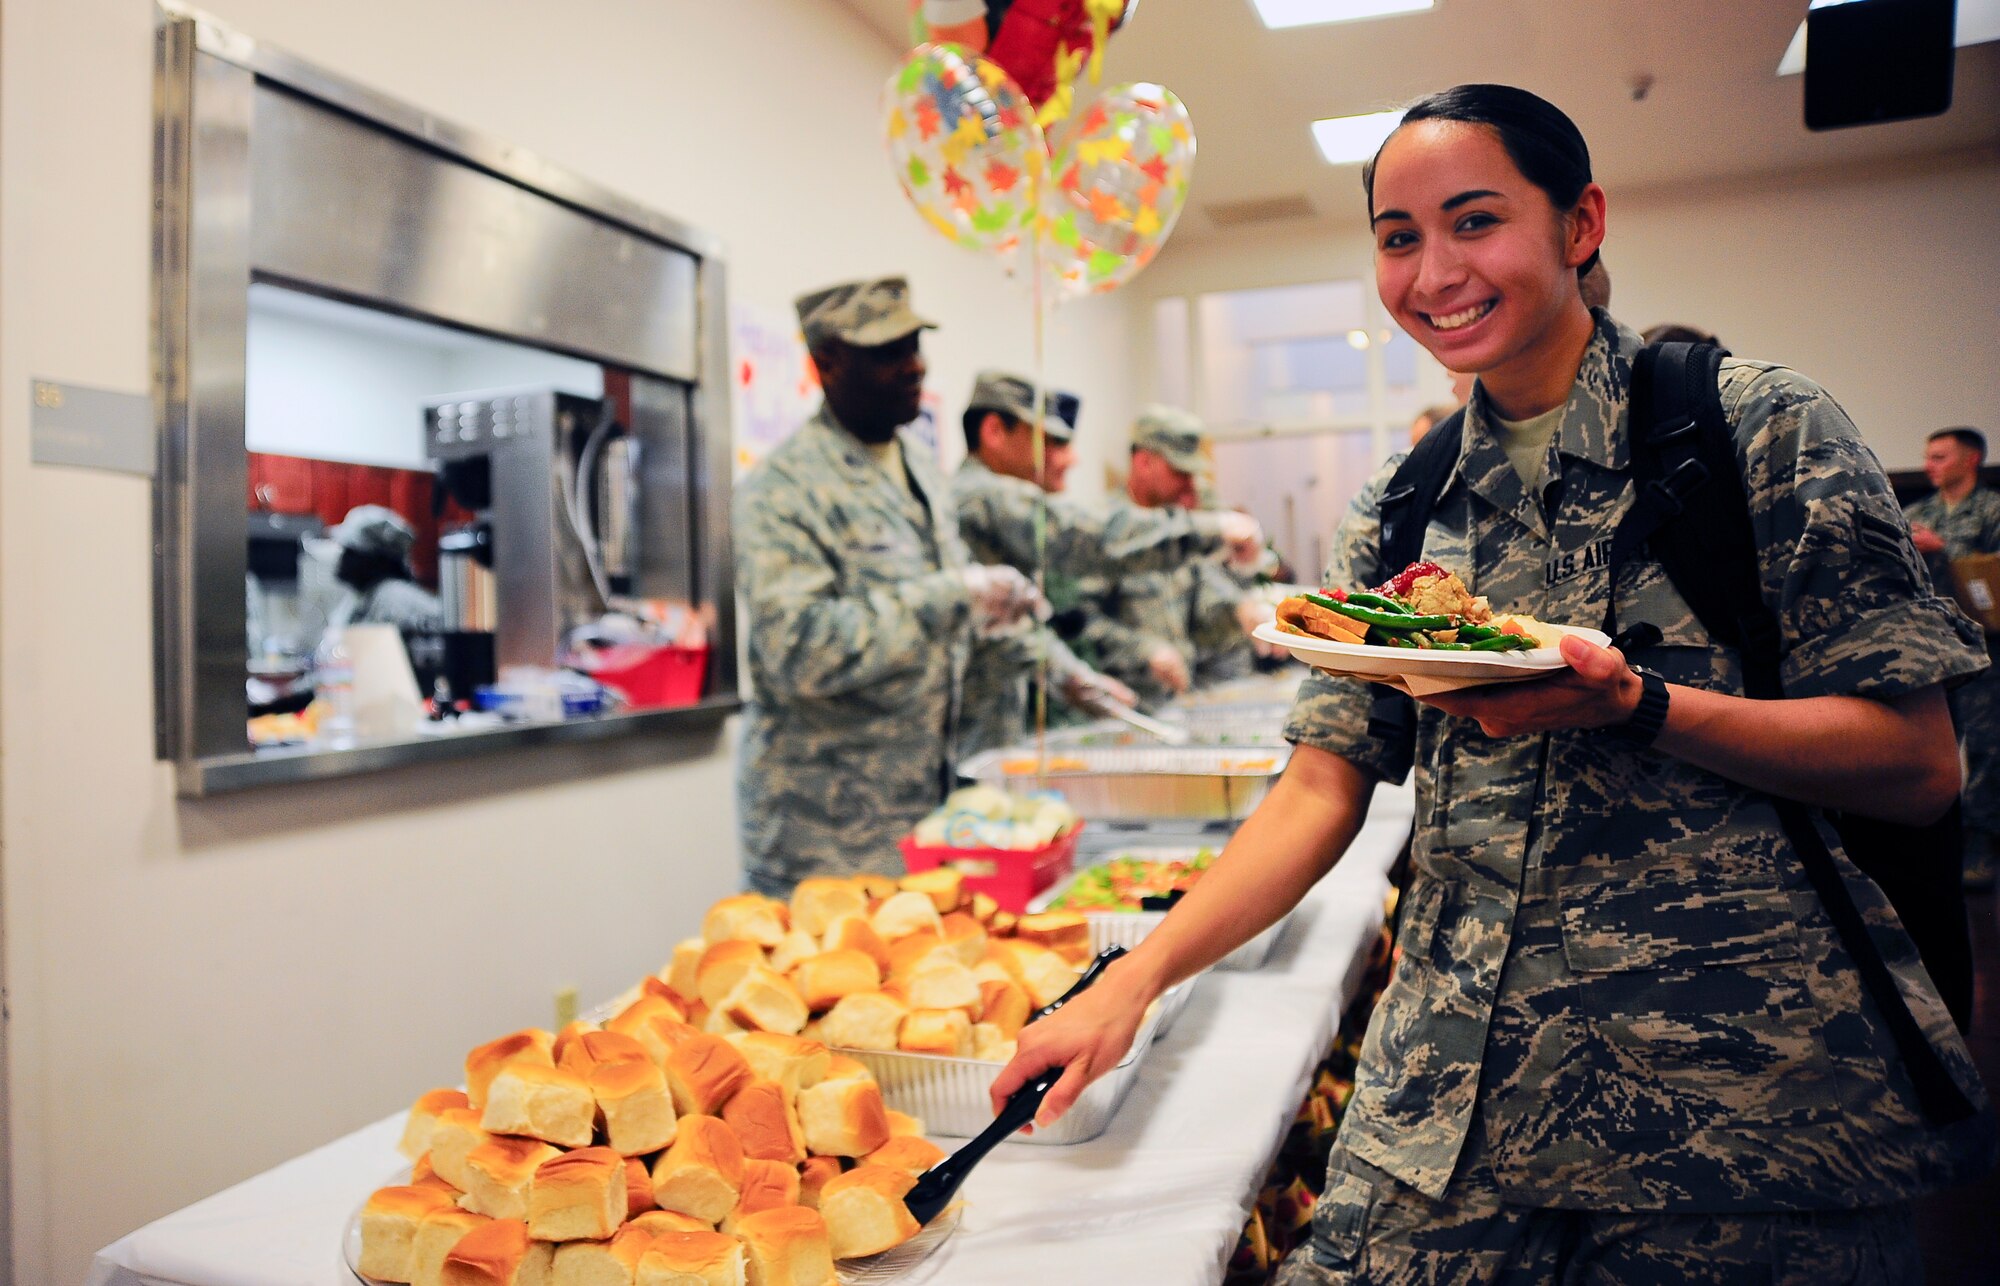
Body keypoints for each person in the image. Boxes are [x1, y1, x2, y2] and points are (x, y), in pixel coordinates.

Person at [995, 84, 1993, 1283]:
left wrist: (1641, 706)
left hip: (1739, 1108)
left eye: (1474, 221)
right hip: (1450, 1097)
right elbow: (1319, 783)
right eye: (1396, 236)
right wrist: (1134, 980)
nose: (1432, 272)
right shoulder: (1404, 501)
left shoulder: (1755, 431)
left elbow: (1917, 764)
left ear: (1579, 225)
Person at [733, 277, 1040, 895]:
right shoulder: (782, 490)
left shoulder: (921, 471)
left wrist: (1022, 638)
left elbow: (948, 638)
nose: (913, 366)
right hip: (827, 839)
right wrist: (955, 595)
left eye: (914, 346)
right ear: (825, 364)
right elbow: (799, 650)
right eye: (886, 353)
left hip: (932, 818)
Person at [1070, 408, 1269, 706]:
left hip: (1176, 704)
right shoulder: (1104, 534)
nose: (1190, 484)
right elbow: (1076, 623)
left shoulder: (1177, 532)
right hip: (1121, 707)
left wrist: (1238, 610)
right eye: (1180, 472)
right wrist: (1144, 650)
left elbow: (1201, 595)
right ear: (1143, 462)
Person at [1906, 426, 2000, 889]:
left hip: (1984, 649)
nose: (1930, 465)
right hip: (1929, 648)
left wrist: (1947, 550)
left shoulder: (1992, 510)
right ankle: (1934, 849)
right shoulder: (1915, 514)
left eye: (1940, 456)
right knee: (1929, 744)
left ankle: (1981, 847)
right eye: (1928, 457)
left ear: (1971, 460)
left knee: (1986, 748)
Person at [323, 504, 444, 635]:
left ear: (375, 559)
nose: (342, 558)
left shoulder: (397, 598)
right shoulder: (361, 596)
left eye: (350, 552)